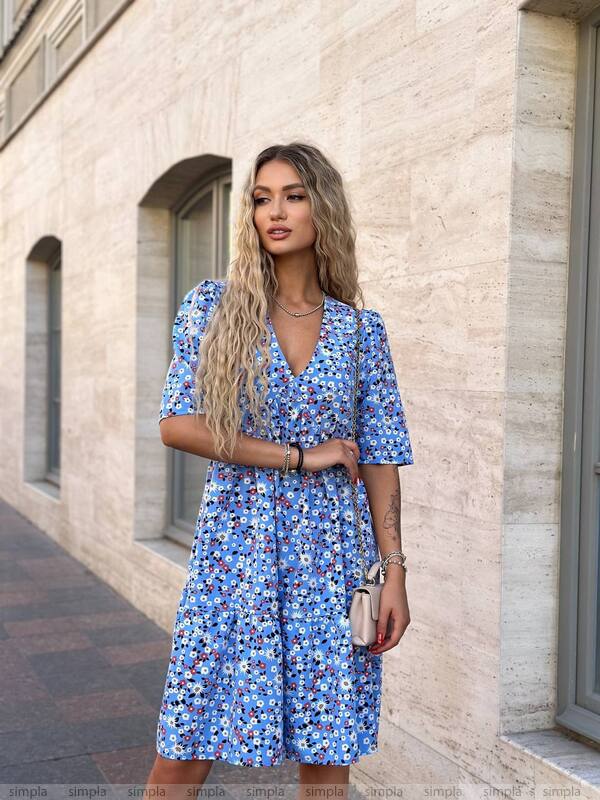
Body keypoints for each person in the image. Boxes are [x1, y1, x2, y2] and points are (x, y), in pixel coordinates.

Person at [144, 141, 414, 798]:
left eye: (293, 196)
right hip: (235, 556)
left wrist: (394, 573)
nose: (275, 212)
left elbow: (381, 457)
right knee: (186, 742)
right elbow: (178, 424)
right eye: (262, 198)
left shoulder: (360, 332)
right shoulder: (214, 307)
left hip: (330, 561)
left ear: (323, 209)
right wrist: (300, 456)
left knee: (328, 750)